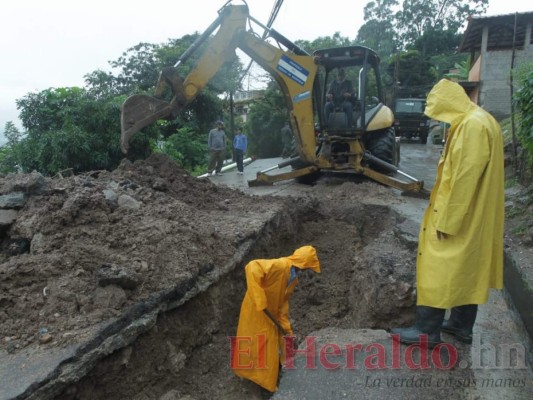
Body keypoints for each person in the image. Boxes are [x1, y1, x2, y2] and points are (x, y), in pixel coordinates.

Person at [391, 79, 504, 347]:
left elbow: (465, 177)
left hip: (460, 213)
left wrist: (448, 220)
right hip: (475, 213)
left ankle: (426, 330)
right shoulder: (481, 119)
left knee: (437, 266)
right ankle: (460, 325)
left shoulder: (472, 126)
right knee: (467, 267)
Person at [231, 245, 321, 393]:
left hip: (271, 313)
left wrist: (287, 330)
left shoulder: (292, 279)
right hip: (256, 310)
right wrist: (260, 300)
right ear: (305, 263)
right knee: (257, 342)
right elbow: (252, 267)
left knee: (271, 342)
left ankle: (267, 376)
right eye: (309, 266)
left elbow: (282, 305)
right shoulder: (280, 265)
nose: (308, 270)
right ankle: (260, 382)